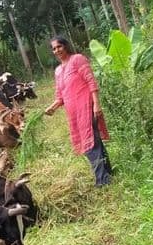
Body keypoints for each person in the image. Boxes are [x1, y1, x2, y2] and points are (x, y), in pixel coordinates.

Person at [45, 36, 113, 187]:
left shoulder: (77, 59)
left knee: (90, 145)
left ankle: (102, 181)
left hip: (86, 107)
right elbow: (60, 95)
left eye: (59, 47)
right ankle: (108, 173)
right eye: (54, 48)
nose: (57, 50)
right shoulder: (58, 71)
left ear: (66, 46)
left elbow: (91, 82)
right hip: (74, 114)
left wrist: (96, 104)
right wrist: (52, 108)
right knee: (94, 142)